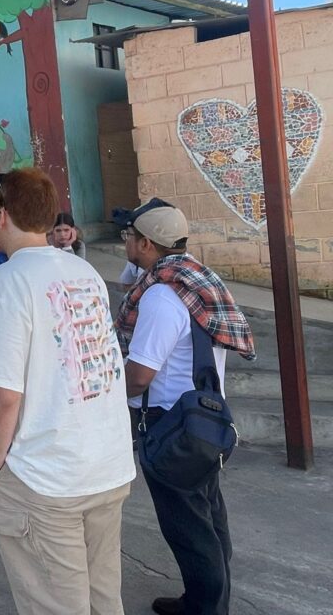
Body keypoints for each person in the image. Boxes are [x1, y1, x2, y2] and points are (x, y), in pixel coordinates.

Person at [0, 167, 135, 615]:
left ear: (2, 215)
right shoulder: (84, 271)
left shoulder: (7, 280)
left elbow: (4, 394)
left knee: (56, 604)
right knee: (103, 598)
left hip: (48, 475)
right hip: (108, 464)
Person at [116, 197, 255, 615]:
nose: (125, 242)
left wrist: (103, 395)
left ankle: (207, 607)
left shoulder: (161, 296)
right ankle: (204, 599)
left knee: (189, 529)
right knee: (208, 515)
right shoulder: (198, 281)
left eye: (129, 236)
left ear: (146, 244)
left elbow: (140, 376)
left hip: (171, 424)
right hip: (205, 416)